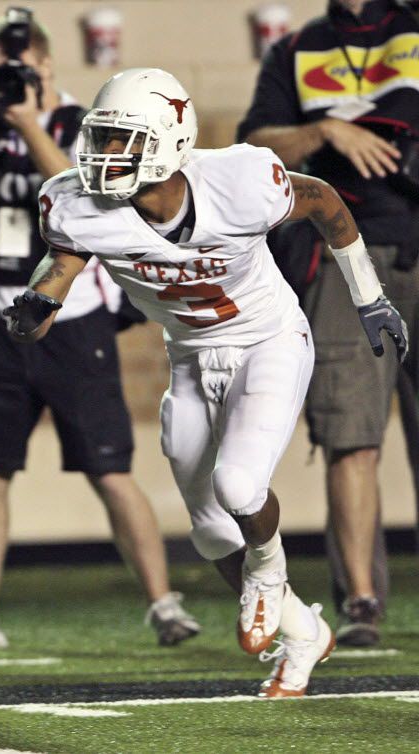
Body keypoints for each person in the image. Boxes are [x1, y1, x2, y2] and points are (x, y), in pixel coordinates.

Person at [10, 67, 407, 696]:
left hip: (269, 340)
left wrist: (368, 296)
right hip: (191, 356)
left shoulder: (241, 182)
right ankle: (304, 632)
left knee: (239, 484)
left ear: (171, 143)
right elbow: (60, 268)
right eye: (102, 138)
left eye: (124, 141)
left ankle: (270, 573)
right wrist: (33, 310)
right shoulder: (75, 204)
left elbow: (327, 202)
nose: (105, 155)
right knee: (210, 530)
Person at [0, 13, 200, 649]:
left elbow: (90, 195)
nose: (6, 81)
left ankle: (163, 602)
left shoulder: (85, 123)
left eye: (16, 70)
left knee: (109, 469)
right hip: (0, 313)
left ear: (47, 69)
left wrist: (26, 120)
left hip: (73, 318)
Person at [237, 0, 419, 647]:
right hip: (348, 257)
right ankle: (362, 603)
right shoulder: (296, 50)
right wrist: (327, 133)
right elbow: (257, 142)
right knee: (351, 435)